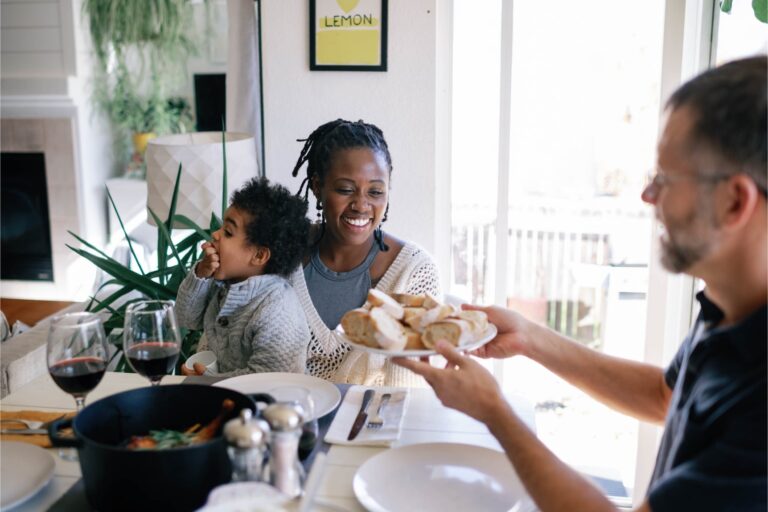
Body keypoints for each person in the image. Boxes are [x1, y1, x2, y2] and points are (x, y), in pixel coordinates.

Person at [395, 55, 767, 511]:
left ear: (735, 202)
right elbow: (664, 397)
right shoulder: (729, 308)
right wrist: (530, 338)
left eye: (665, 178)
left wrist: (495, 413)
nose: (647, 196)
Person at [289, 118, 440, 386]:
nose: (361, 205)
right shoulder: (284, 255)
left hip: (371, 426)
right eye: (346, 190)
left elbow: (405, 397)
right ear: (316, 186)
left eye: (375, 191)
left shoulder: (413, 271)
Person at [176, 177, 311, 377]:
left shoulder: (277, 309)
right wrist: (201, 274)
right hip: (227, 399)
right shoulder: (224, 284)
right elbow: (186, 318)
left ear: (259, 255)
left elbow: (269, 379)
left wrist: (208, 383)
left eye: (228, 232)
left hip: (275, 402)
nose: (215, 234)